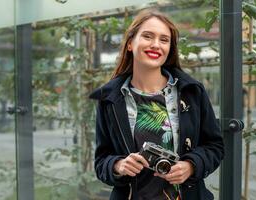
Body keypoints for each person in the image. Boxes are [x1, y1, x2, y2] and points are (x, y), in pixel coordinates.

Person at [89, 9, 224, 200]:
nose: (155, 45)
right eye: (147, 36)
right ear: (130, 43)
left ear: (170, 49)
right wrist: (118, 166)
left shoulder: (192, 92)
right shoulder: (110, 99)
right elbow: (101, 161)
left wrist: (191, 165)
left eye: (164, 40)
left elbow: (215, 146)